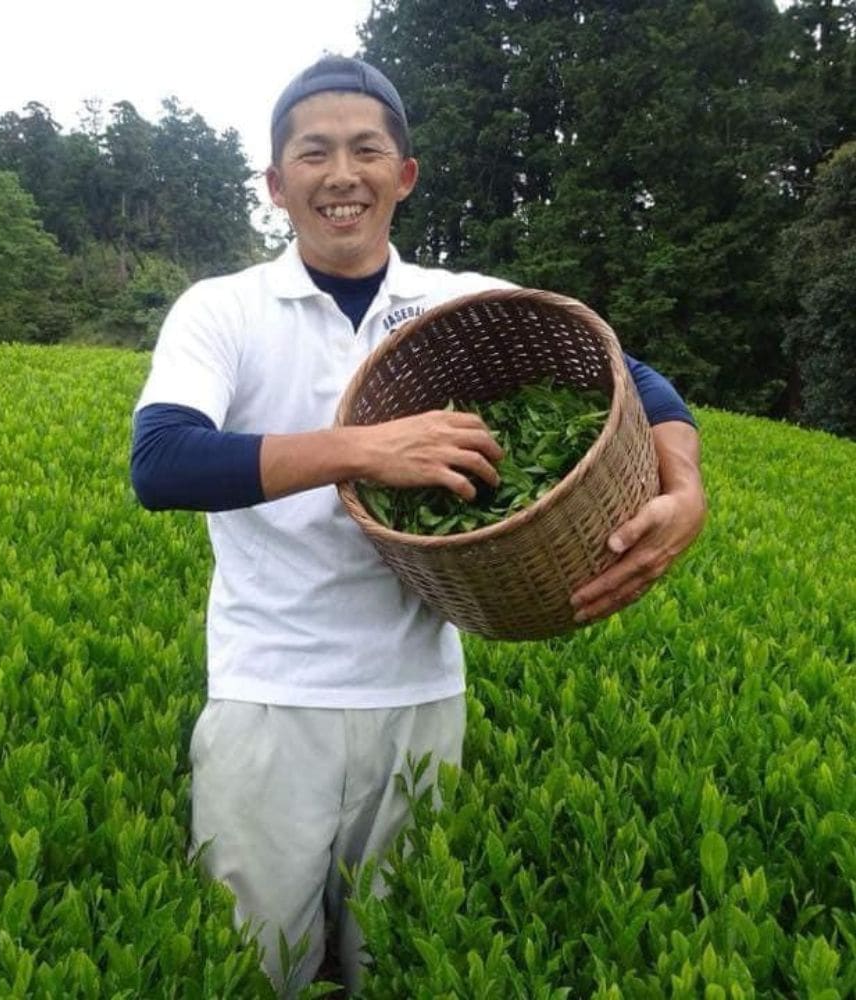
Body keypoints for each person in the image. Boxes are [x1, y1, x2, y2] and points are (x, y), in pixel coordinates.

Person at [130, 55, 706, 995]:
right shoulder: (223, 309)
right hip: (269, 698)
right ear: (275, 183)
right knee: (250, 968)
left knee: (400, 963)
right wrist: (365, 449)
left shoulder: (457, 300)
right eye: (314, 153)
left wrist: (686, 488)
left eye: (367, 151)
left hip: (422, 697)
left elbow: (633, 379)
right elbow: (162, 463)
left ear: (404, 176)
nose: (342, 175)